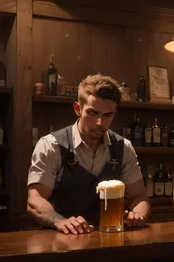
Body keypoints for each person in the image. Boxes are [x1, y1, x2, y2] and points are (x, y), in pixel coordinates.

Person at [27, 74, 150, 235]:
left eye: (107, 115)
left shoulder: (124, 148)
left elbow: (140, 197)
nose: (100, 123)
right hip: (63, 241)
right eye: (93, 113)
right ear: (78, 109)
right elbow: (35, 200)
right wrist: (60, 221)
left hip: (111, 237)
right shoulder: (51, 145)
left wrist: (138, 214)